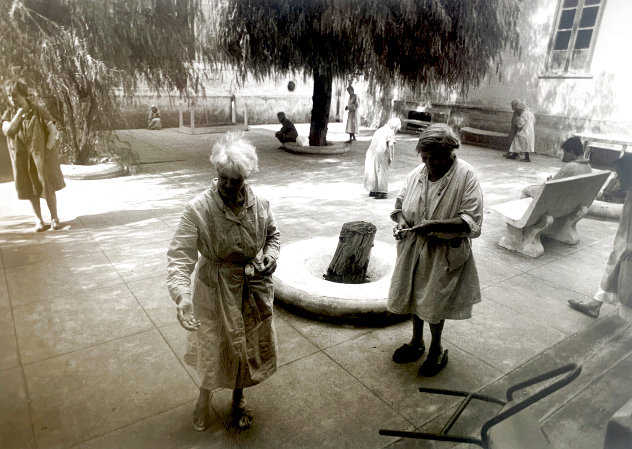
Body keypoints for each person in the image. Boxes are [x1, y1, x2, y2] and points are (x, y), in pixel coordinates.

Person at [166, 132, 280, 431]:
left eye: (237, 180)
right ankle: (203, 398)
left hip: (251, 286)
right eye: (223, 178)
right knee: (212, 346)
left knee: (245, 346)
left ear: (246, 177)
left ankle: (238, 398)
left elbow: (272, 235)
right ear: (216, 173)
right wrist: (182, 296)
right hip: (214, 289)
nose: (229, 186)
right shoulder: (198, 209)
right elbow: (180, 256)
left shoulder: (261, 203)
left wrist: (270, 255)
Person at [388, 124, 483, 376]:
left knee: (434, 301)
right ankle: (416, 341)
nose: (429, 164)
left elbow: (471, 220)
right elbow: (399, 208)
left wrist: (434, 225)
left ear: (451, 152)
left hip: (443, 250)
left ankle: (436, 349)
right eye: (425, 158)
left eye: (435, 159)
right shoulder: (418, 172)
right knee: (415, 295)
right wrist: (402, 225)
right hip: (414, 247)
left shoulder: (466, 175)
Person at [567, 152, 632, 325]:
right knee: (616, 269)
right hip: (625, 241)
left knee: (623, 274)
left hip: (628, 243)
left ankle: (595, 304)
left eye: (619, 174)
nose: (617, 177)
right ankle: (595, 304)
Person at [2, 80, 65, 232]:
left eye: (15, 96)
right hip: (22, 158)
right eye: (9, 96)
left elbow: (53, 131)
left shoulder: (38, 110)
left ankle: (54, 217)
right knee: (30, 188)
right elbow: (8, 131)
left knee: (47, 186)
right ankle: (39, 220)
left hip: (41, 157)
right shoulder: (9, 113)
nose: (12, 99)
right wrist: (19, 113)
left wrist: (47, 150)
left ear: (24, 95)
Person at [521, 136, 592, 198]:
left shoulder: (570, 167)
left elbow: (550, 187)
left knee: (527, 190)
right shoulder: (588, 167)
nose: (563, 156)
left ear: (572, 152)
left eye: (565, 153)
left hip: (560, 199)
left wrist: (549, 181)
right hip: (573, 198)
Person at [364, 118, 402, 199]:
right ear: (395, 127)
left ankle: (373, 190)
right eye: (397, 129)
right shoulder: (390, 131)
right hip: (382, 153)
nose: (396, 131)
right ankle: (382, 191)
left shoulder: (380, 129)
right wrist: (391, 157)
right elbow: (391, 145)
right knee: (383, 171)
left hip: (372, 151)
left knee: (373, 170)